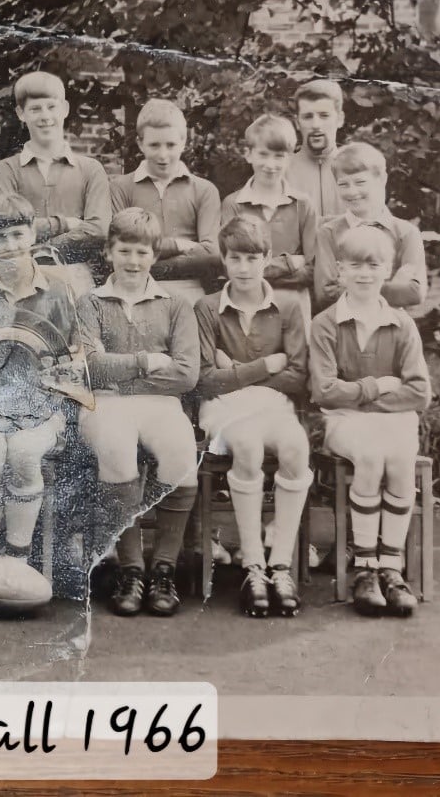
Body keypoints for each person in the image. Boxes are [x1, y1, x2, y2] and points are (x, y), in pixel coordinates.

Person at [76, 207, 200, 617]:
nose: (133, 261)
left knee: (181, 453)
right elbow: (90, 367)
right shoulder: (90, 302)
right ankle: (131, 569)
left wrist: (121, 374)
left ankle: (163, 568)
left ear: (154, 256)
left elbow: (186, 375)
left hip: (160, 403)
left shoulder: (176, 304)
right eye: (124, 251)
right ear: (108, 252)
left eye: (142, 252)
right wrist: (146, 361)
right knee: (116, 448)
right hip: (105, 403)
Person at [0, 194, 79, 569]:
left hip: (40, 407)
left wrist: (46, 405)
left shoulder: (57, 288)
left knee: (22, 452)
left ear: (33, 234)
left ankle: (18, 556)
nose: (10, 245)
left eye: (18, 235)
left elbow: (70, 360)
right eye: (0, 237)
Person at [310, 225, 432, 617]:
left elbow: (419, 392)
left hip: (393, 420)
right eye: (355, 266)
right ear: (340, 270)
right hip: (345, 422)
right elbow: (324, 391)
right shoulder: (326, 323)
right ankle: (365, 567)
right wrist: (375, 386)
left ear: (388, 270)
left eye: (374, 265)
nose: (364, 274)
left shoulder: (401, 323)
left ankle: (391, 567)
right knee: (370, 455)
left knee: (399, 458)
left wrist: (360, 398)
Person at [194, 216, 312, 617]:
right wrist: (265, 365)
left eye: (252, 258)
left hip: (272, 404)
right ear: (224, 260)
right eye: (235, 258)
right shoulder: (207, 307)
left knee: (296, 446)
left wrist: (235, 370)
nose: (243, 268)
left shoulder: (289, 305)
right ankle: (253, 565)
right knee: (246, 444)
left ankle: (280, 564)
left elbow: (298, 376)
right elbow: (205, 379)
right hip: (224, 408)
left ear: (266, 258)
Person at [0, 71, 111, 262]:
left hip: (78, 273)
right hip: (22, 272)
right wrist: (64, 224)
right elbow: (4, 226)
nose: (45, 116)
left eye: (52, 107)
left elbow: (98, 230)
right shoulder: (6, 170)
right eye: (35, 109)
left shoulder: (90, 169)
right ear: (21, 113)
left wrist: (45, 250)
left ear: (65, 109)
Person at [109, 99, 221, 303]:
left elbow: (210, 254)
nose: (163, 155)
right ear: (140, 143)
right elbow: (119, 250)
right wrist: (179, 245)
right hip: (135, 293)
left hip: (190, 293)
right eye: (154, 145)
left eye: (171, 145)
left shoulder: (204, 190)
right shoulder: (121, 187)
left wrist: (148, 261)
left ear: (183, 142)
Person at [220, 113, 317, 326]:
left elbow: (313, 269)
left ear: (289, 158)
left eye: (279, 156)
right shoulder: (233, 204)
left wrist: (254, 268)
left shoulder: (303, 204)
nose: (270, 164)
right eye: (263, 154)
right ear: (248, 154)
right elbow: (230, 268)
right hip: (248, 307)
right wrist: (290, 262)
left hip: (295, 307)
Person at [313, 142, 427, 312]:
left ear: (382, 179)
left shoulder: (406, 233)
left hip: (391, 324)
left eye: (360, 182)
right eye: (343, 184)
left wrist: (349, 285)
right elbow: (325, 295)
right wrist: (392, 286)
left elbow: (414, 293)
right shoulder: (329, 233)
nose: (352, 192)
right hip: (342, 324)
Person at [288, 78, 347, 218]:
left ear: (340, 119)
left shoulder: (358, 170)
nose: (315, 125)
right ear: (297, 122)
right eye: (308, 117)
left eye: (324, 116)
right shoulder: (280, 172)